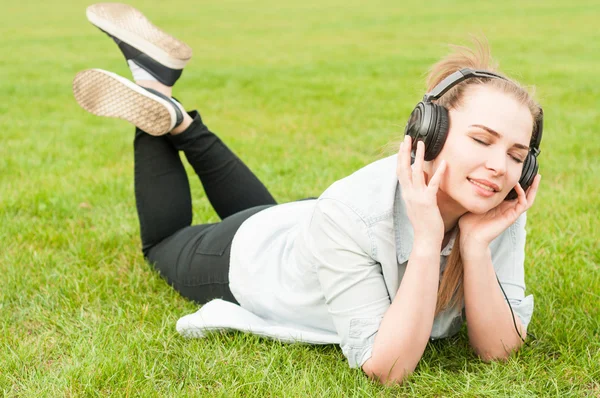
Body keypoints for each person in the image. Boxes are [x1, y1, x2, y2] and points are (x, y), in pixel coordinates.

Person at [73, 3, 543, 385]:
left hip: (303, 228)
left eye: (516, 154)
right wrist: (426, 241)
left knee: (268, 214)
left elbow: (498, 351)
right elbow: (390, 368)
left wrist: (476, 247)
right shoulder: (353, 210)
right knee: (163, 243)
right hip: (254, 257)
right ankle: (154, 96)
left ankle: (167, 101)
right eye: (481, 140)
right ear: (431, 131)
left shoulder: (493, 204)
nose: (498, 167)